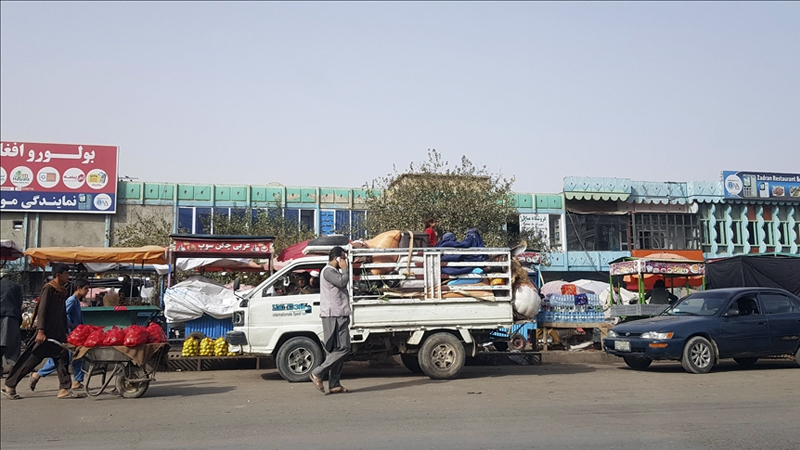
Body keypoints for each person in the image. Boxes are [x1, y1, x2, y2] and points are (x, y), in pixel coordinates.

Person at [3, 264, 84, 399]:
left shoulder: (61, 290)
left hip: (57, 332)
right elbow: (42, 310)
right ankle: (10, 385)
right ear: (59, 275)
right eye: (66, 274)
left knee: (62, 357)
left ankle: (64, 389)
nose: (68, 277)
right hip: (46, 332)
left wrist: (65, 332)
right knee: (31, 359)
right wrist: (40, 331)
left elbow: (62, 313)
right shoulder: (49, 289)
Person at [29, 278, 89, 392]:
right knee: (66, 357)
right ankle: (38, 374)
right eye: (86, 288)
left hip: (77, 334)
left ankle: (77, 381)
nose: (87, 291)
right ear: (78, 288)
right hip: (71, 335)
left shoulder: (76, 301)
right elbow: (64, 315)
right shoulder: (71, 300)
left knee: (79, 356)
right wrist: (70, 326)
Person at [309, 247, 351, 395]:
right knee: (344, 348)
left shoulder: (331, 271)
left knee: (336, 350)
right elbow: (342, 282)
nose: (345, 261)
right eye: (344, 258)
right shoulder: (328, 271)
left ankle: (334, 384)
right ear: (337, 259)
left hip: (338, 313)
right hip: (334, 314)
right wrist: (345, 270)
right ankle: (318, 372)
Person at [1, 268, 24, 370]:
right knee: (13, 343)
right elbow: (19, 303)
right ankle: (13, 367)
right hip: (12, 317)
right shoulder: (16, 286)